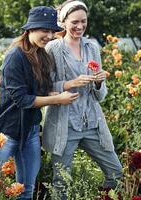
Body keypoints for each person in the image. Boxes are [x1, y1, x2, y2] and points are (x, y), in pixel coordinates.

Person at [0, 6, 79, 199]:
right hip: (7, 133)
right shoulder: (15, 57)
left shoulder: (41, 55)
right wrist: (56, 99)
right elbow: (22, 99)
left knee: (26, 189)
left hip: (29, 132)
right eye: (44, 30)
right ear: (30, 29)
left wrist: (50, 92)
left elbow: (37, 89)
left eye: (52, 31)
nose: (49, 35)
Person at [42, 0, 123, 199]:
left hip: (92, 123)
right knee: (61, 183)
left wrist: (98, 83)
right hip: (65, 125)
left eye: (83, 22)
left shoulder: (92, 47)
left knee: (116, 174)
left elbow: (100, 96)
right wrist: (71, 83)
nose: (80, 26)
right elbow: (43, 88)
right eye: (75, 22)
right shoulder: (53, 48)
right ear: (63, 22)